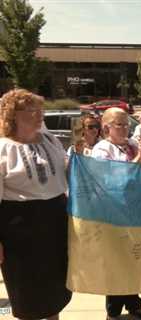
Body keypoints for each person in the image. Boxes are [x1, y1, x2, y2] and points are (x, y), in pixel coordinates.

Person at [0, 89, 72, 320]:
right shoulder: (3, 149)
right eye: (31, 110)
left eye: (40, 108)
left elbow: (68, 171)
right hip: (19, 227)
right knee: (26, 291)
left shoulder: (50, 139)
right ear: (13, 115)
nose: (39, 114)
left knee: (54, 289)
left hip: (55, 218)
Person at [91, 107, 141, 320]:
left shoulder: (133, 145)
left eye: (128, 124)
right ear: (107, 127)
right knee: (116, 263)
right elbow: (113, 180)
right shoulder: (102, 150)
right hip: (115, 215)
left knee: (136, 260)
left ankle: (134, 305)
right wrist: (139, 159)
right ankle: (113, 312)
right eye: (120, 124)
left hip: (137, 211)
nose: (126, 128)